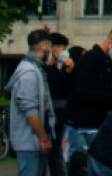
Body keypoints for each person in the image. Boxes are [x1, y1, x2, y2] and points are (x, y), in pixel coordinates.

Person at [65, 26, 112, 176]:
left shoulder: (107, 62)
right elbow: (83, 91)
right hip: (88, 125)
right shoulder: (92, 59)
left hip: (95, 125)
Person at [7, 30, 56, 176]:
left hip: (33, 141)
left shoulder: (36, 69)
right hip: (29, 142)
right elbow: (30, 110)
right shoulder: (29, 73)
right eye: (50, 46)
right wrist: (43, 138)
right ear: (45, 46)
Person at [46, 33, 71, 176]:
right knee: (55, 154)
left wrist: (68, 72)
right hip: (54, 116)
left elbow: (65, 90)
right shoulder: (47, 70)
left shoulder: (58, 70)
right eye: (62, 48)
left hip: (59, 116)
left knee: (56, 153)